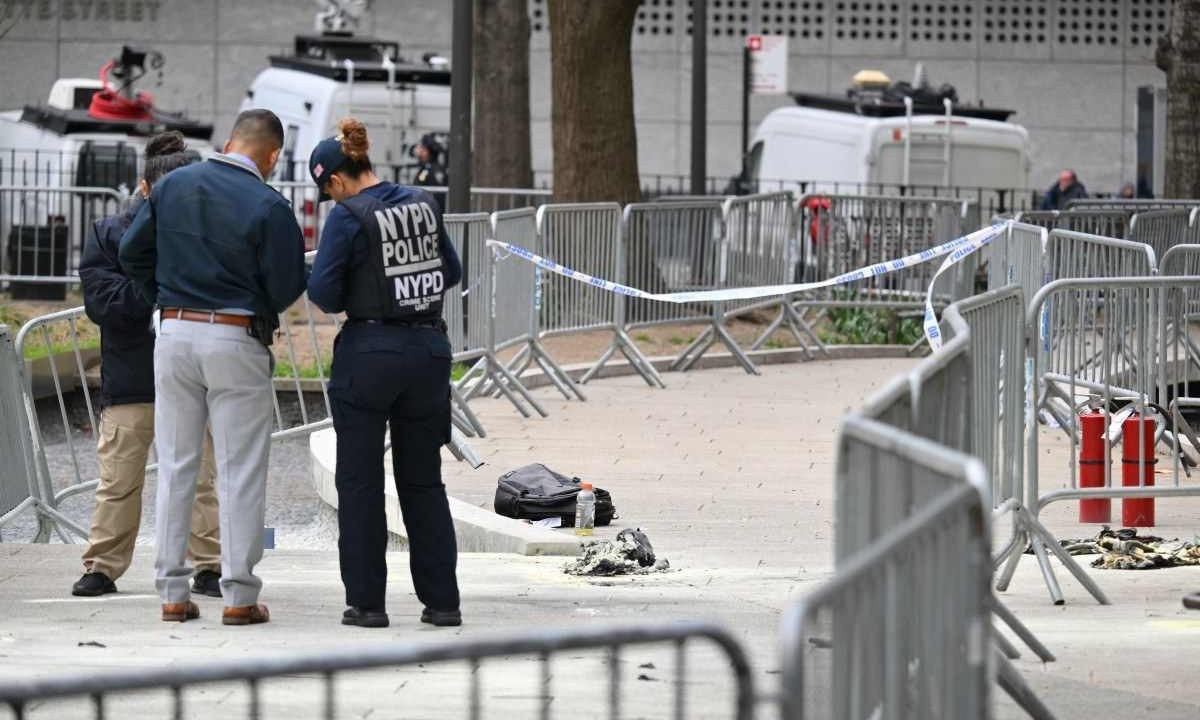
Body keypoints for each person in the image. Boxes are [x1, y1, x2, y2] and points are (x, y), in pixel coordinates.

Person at [119, 109, 307, 625]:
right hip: (236, 334)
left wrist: (161, 298)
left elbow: (132, 249)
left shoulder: (174, 185)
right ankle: (239, 596)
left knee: (176, 464)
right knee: (239, 469)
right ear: (272, 157)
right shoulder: (270, 205)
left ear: (227, 141)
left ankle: (171, 593)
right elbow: (289, 283)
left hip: (174, 330)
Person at [307, 118, 463, 629]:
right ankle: (442, 603)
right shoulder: (422, 201)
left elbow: (326, 294)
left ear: (334, 181)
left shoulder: (348, 217)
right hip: (428, 351)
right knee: (424, 483)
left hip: (370, 354)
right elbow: (452, 272)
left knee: (360, 484)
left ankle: (368, 604)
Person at [73, 132, 222, 599]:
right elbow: (103, 302)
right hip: (135, 378)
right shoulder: (109, 233)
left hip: (189, 376)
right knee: (119, 480)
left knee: (202, 481)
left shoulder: (207, 233)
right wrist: (166, 287)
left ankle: (211, 565)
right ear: (146, 187)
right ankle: (102, 565)